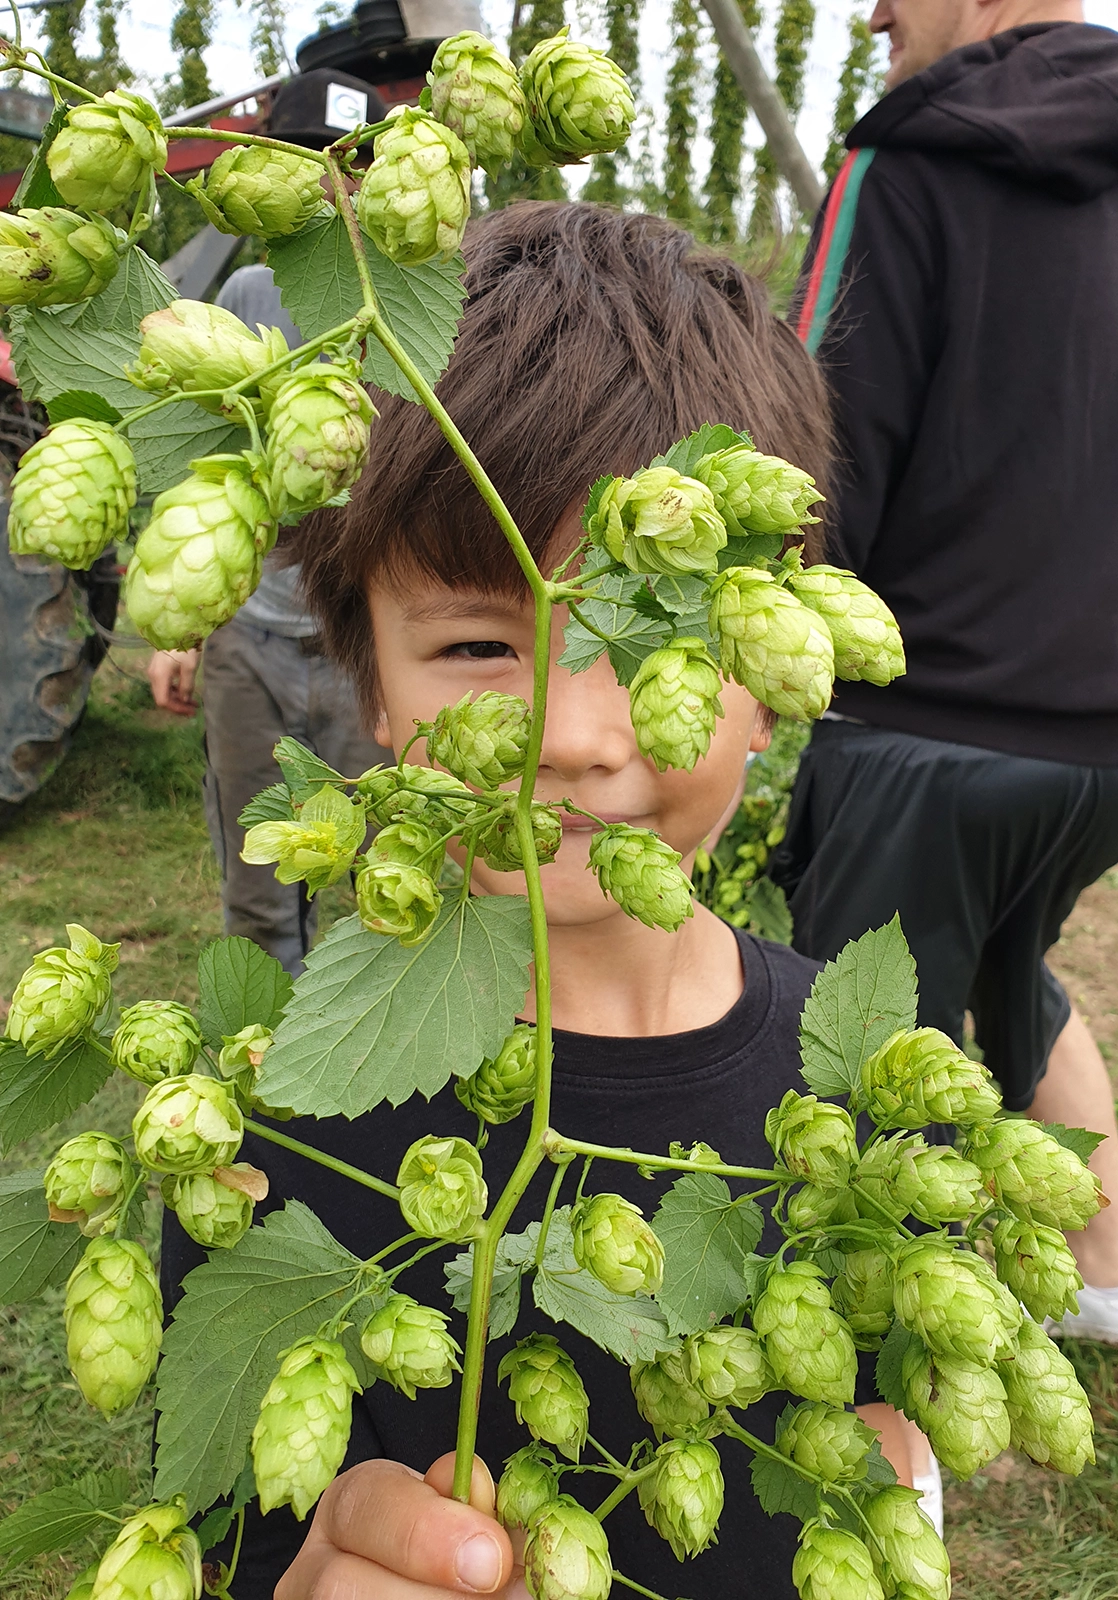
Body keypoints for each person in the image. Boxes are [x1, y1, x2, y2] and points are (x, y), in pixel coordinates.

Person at [162, 202, 936, 1599]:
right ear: (372, 690)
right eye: (477, 642)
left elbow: (893, 1430)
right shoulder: (266, 1133)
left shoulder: (871, 1093)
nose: (572, 737)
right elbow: (237, 1521)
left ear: (778, 673)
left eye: (661, 638)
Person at [772, 0, 1118, 1350]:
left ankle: (882, 1394)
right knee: (1016, 976)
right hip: (1115, 740)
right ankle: (1111, 1283)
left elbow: (819, 455)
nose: (875, 16)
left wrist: (762, 649)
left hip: (926, 723)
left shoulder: (908, 155)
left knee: (856, 1071)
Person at [149, 74, 389, 977]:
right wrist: (186, 628)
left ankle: (360, 1052)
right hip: (251, 637)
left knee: (381, 884)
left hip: (368, 644)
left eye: (347, 162)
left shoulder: (409, 307)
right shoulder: (248, 292)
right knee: (258, 890)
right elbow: (207, 456)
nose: (328, 183)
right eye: (302, 159)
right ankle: (265, 1053)